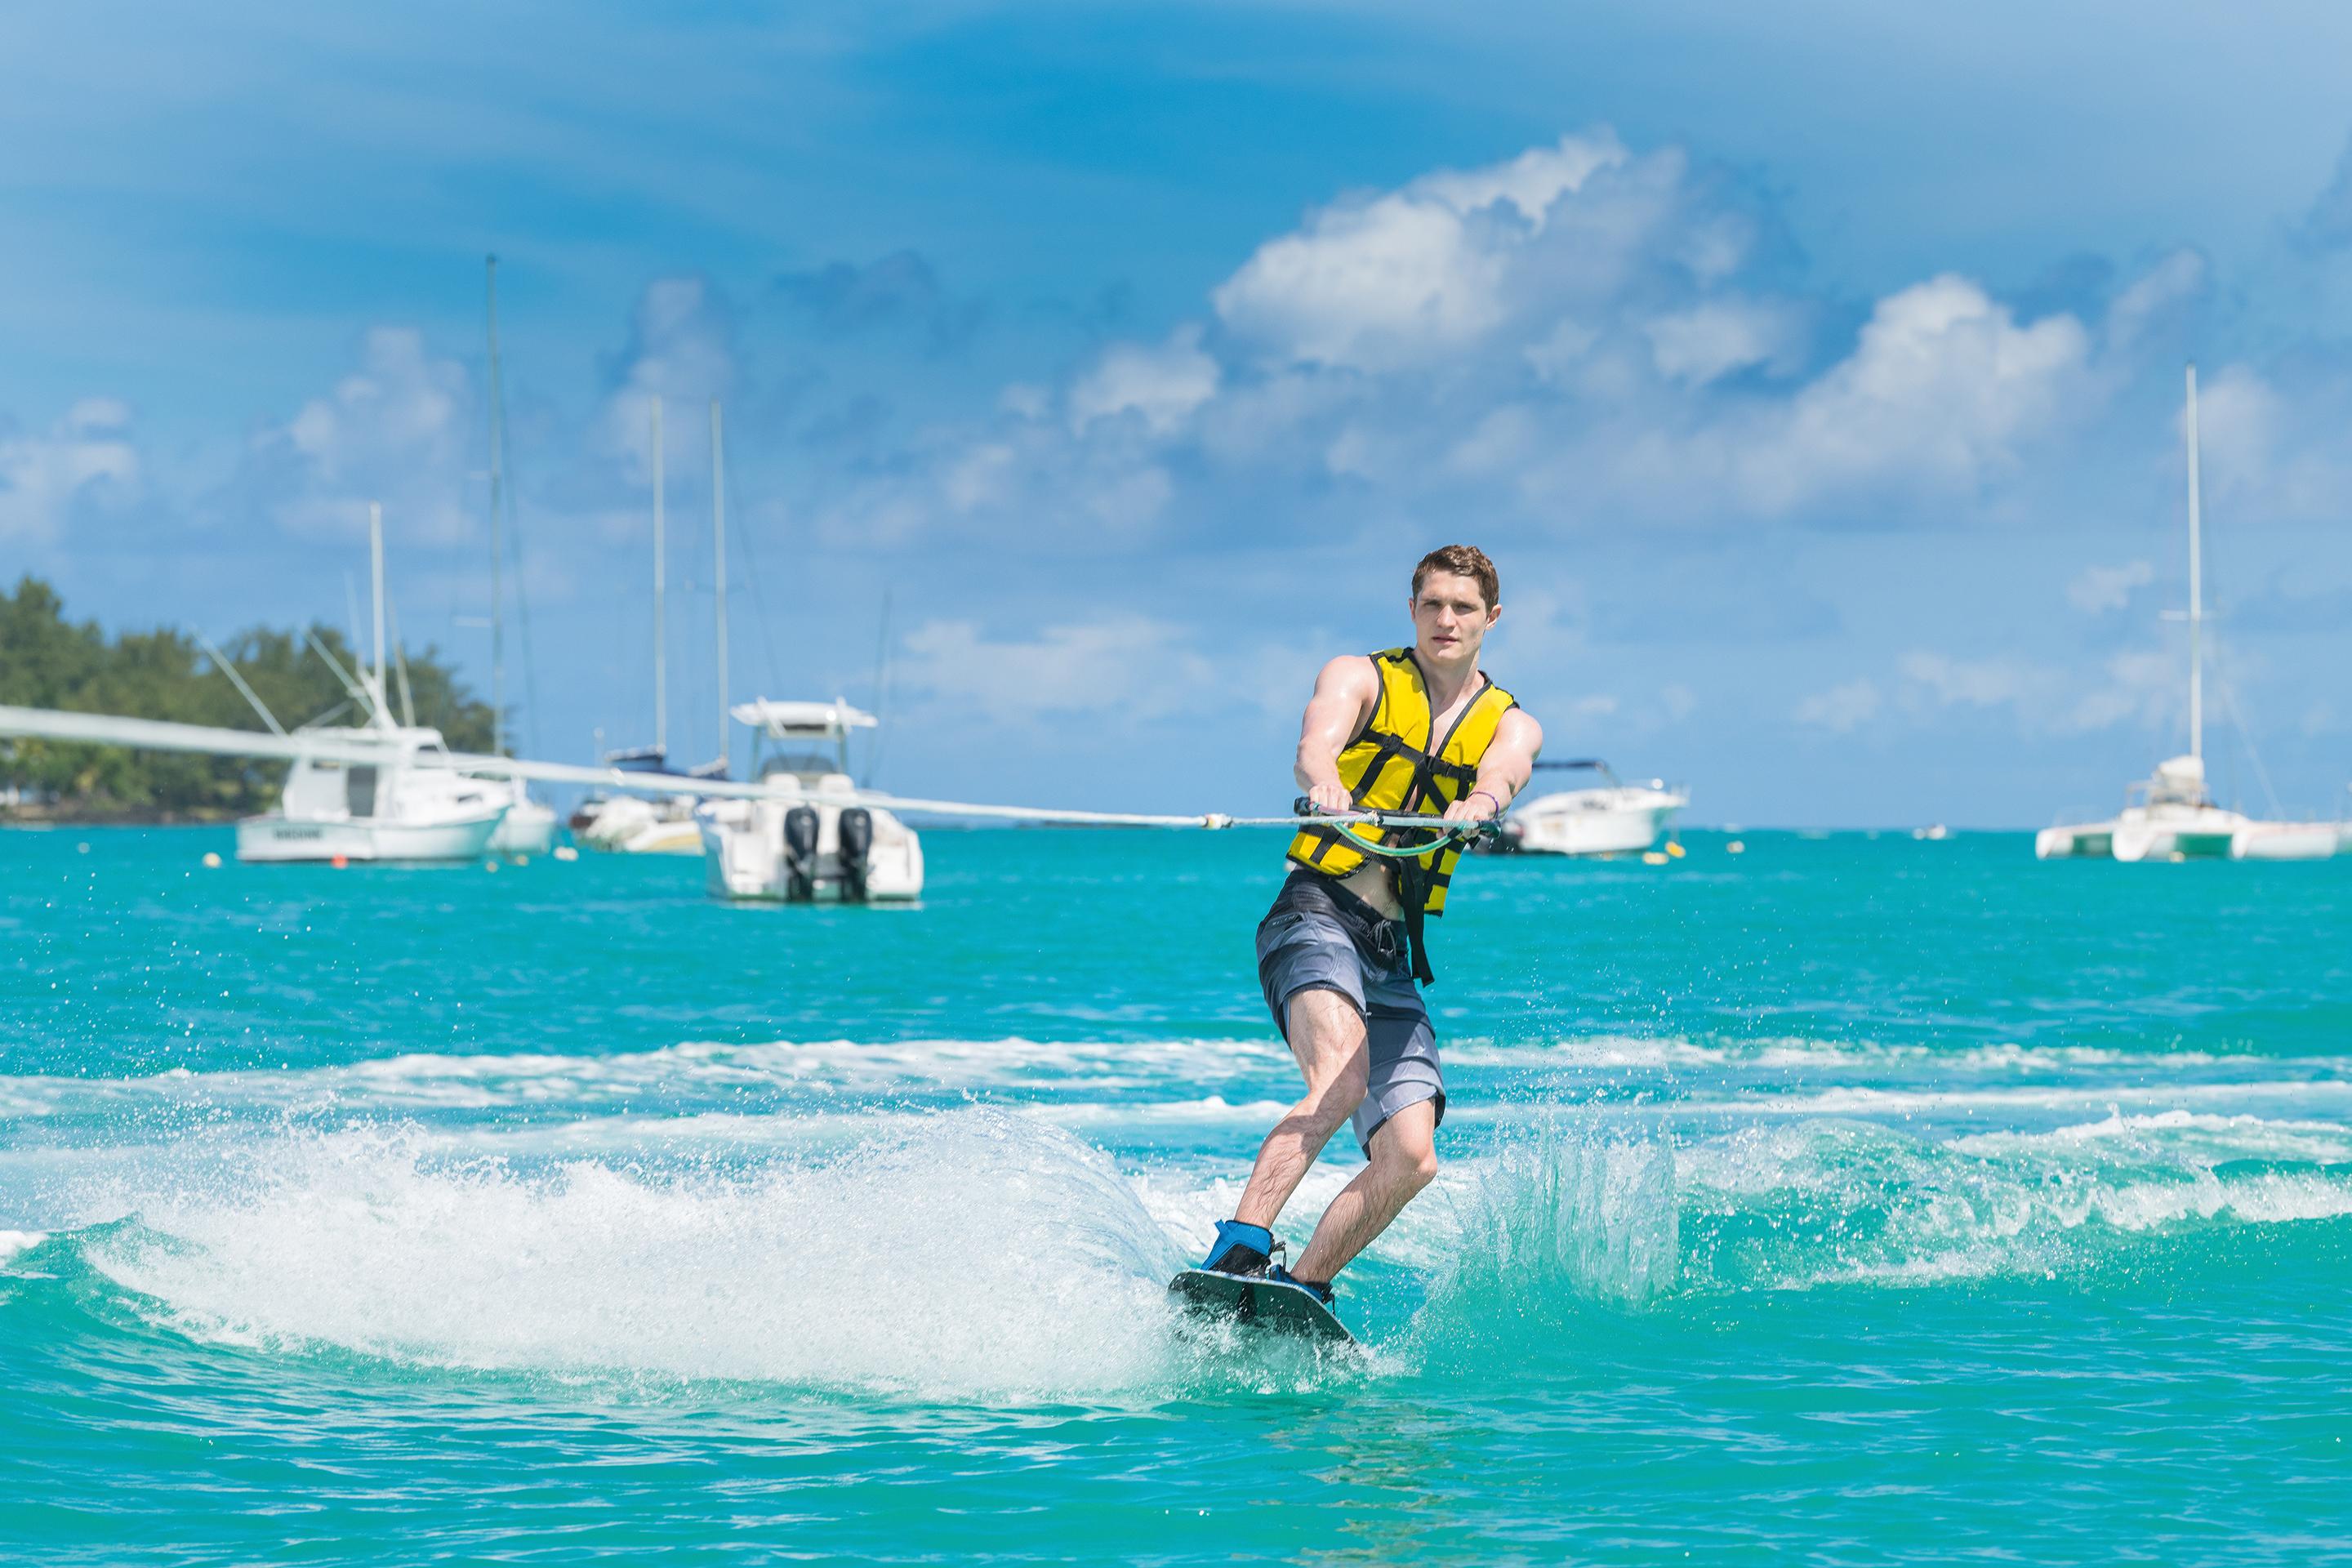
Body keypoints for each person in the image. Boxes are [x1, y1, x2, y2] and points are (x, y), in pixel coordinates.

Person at [1198, 544, 1543, 1308]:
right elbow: (1316, 742)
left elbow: (1503, 774)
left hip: (1390, 952)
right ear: (1412, 608)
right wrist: (1325, 781)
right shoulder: (1360, 675)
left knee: (1413, 1157)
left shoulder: (1510, 723)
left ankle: (1306, 1286)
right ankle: (1239, 1249)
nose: (1446, 620)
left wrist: (1480, 807)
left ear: (1492, 617)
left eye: (1462, 608)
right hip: (1315, 913)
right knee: (1340, 1078)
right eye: (1431, 605)